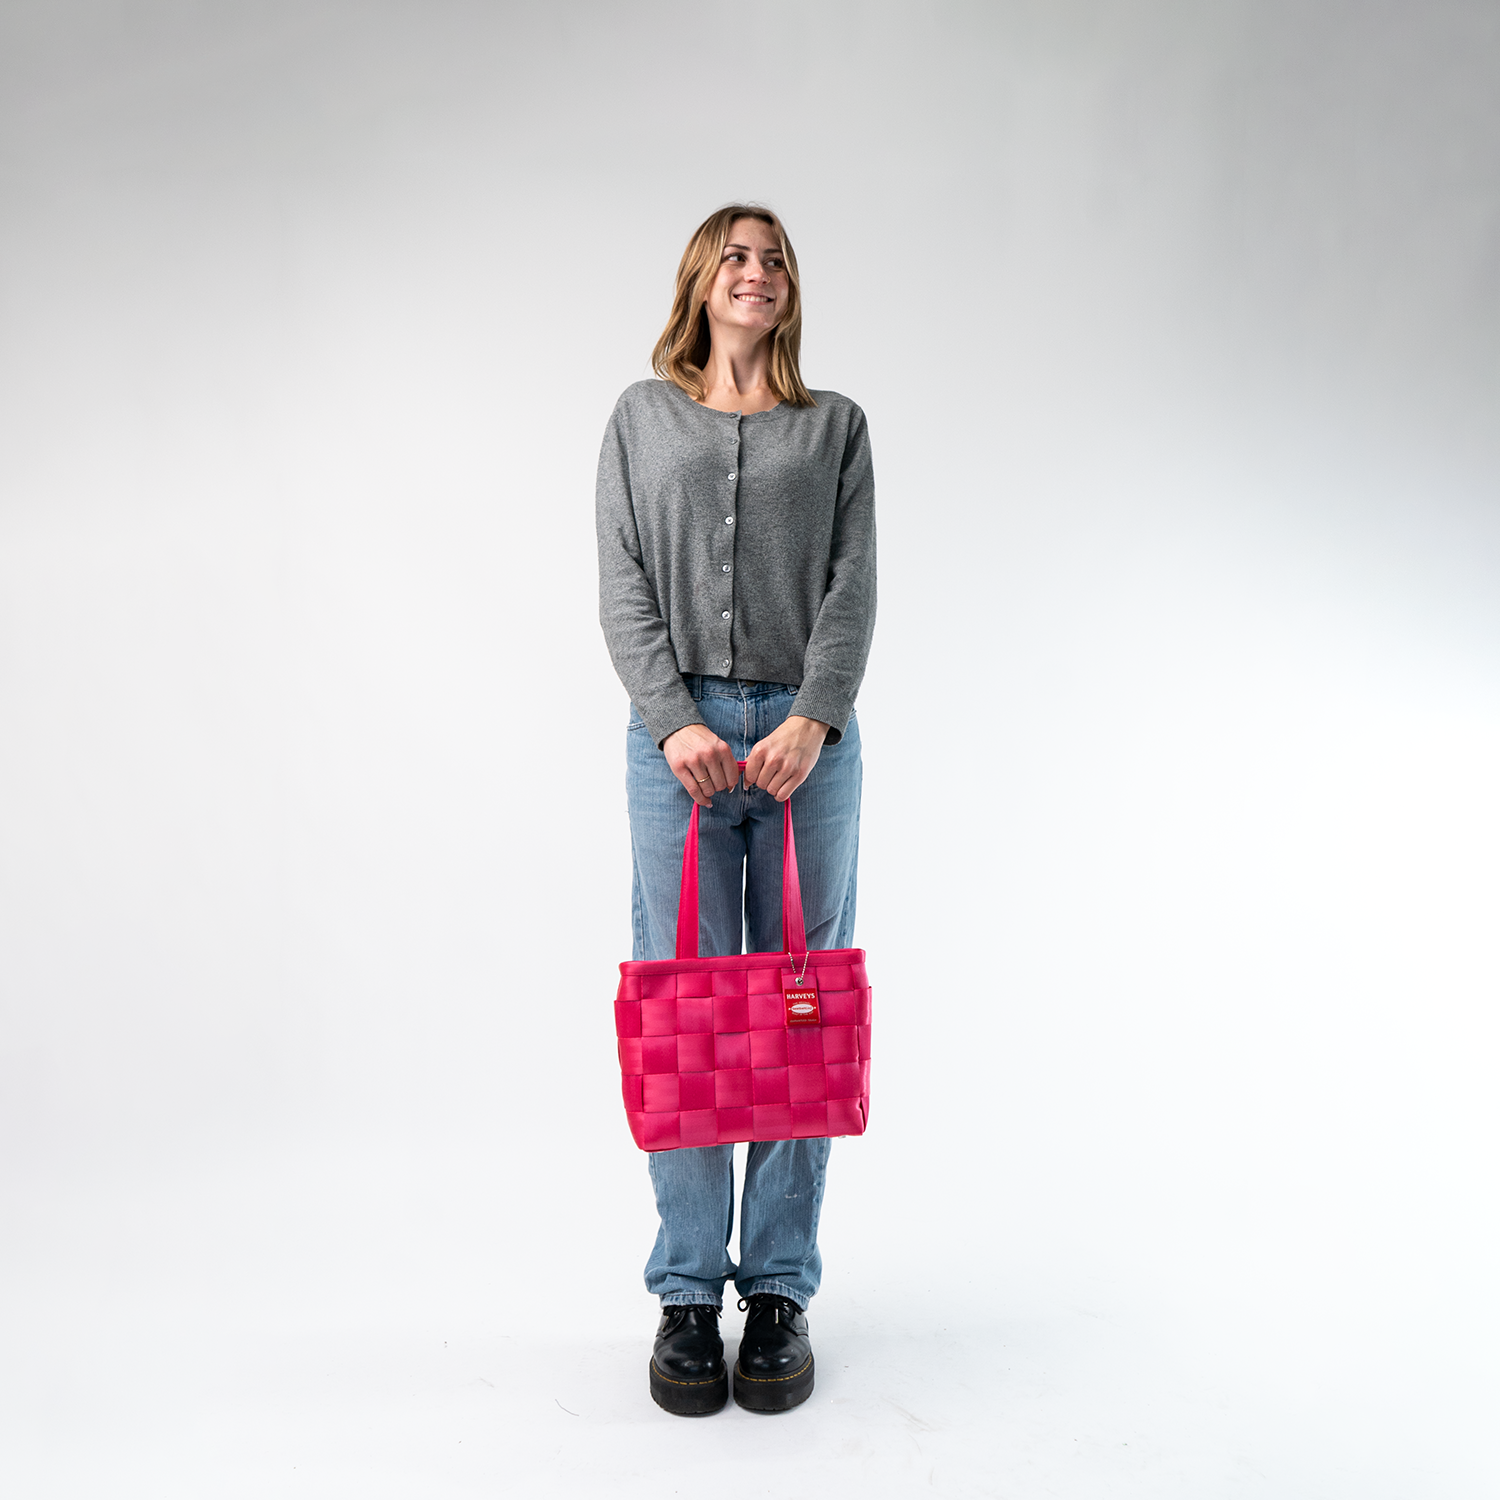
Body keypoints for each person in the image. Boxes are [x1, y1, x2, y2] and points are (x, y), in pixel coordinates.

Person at [595, 204, 876, 1416]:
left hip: (809, 743)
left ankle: (776, 1290)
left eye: (775, 260)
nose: (756, 273)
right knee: (689, 1008)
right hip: (681, 747)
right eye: (736, 256)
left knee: (799, 1009)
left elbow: (853, 587)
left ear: (789, 290)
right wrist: (675, 721)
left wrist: (812, 718)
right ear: (700, 282)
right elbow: (621, 583)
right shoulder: (639, 418)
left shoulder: (836, 427)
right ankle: (684, 1293)